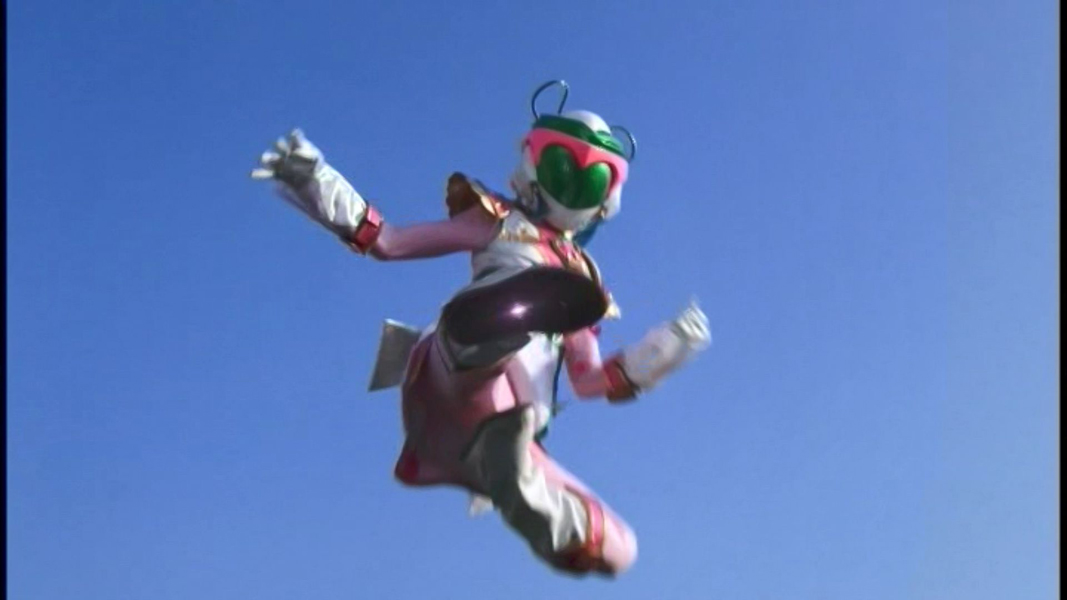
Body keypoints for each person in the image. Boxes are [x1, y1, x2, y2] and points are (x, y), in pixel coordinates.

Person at [250, 82, 711, 577]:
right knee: (482, 338)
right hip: (455, 374)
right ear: (534, 165)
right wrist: (315, 181)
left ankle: (526, 488)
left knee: (619, 547)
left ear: (607, 197)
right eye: (562, 167)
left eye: (591, 178)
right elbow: (390, 242)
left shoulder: (584, 281)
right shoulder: (499, 221)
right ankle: (490, 324)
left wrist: (664, 351)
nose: (571, 186)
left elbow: (588, 380)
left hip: (513, 422)